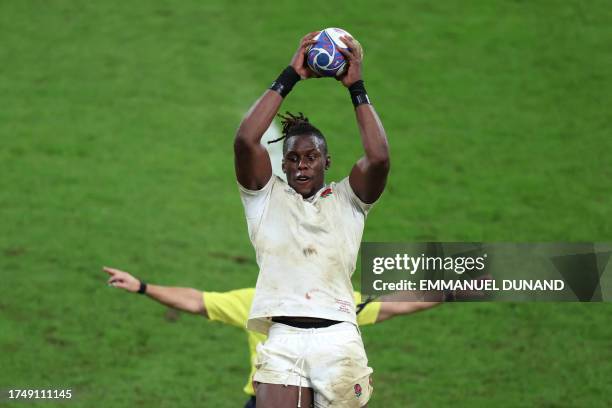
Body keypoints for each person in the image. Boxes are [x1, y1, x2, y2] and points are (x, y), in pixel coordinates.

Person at [233, 31, 390, 407]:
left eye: (311, 157)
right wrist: (291, 74)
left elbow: (379, 158)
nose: (302, 165)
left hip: (337, 339)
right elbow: (245, 141)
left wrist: (357, 88)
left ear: (326, 161)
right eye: (293, 159)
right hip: (283, 336)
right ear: (282, 163)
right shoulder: (264, 197)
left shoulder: (349, 200)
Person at [102, 267, 442, 408]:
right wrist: (142, 287)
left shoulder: (332, 303)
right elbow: (196, 300)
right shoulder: (254, 302)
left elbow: (392, 305)